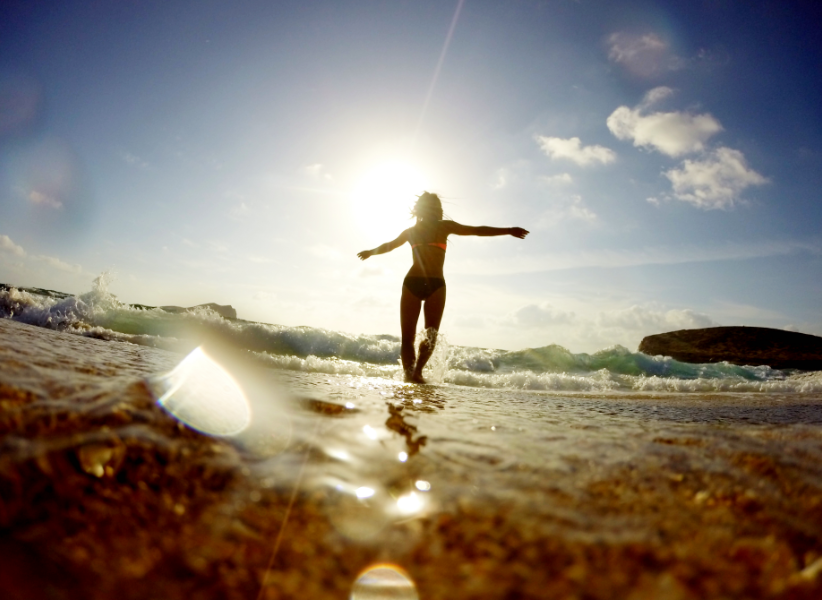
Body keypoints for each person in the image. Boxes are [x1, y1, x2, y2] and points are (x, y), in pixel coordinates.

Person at [357, 192, 529, 383]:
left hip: (436, 285)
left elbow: (476, 230)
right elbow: (390, 245)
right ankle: (409, 376)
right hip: (413, 283)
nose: (434, 210)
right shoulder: (411, 231)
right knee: (408, 337)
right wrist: (371, 252)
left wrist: (508, 230)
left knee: (431, 335)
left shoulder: (444, 227)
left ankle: (417, 372)